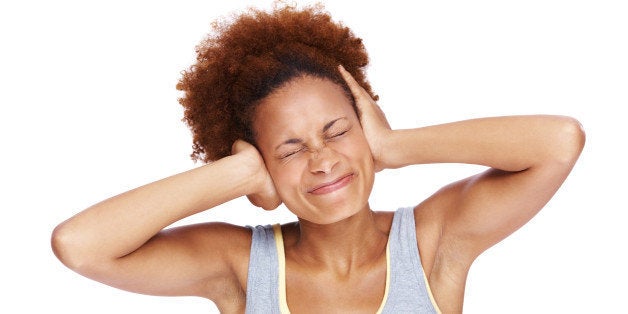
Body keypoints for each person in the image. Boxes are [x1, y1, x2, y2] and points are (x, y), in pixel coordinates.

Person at [51, 4, 585, 313]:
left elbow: (560, 142)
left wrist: (398, 147)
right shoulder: (240, 266)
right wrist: (235, 174)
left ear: (365, 129)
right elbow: (79, 246)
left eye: (336, 131)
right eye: (290, 149)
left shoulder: (431, 244)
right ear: (263, 163)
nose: (323, 160)